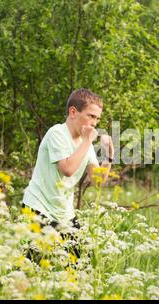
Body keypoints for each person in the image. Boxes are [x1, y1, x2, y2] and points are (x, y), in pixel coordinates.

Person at [22, 88, 114, 233]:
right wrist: (87, 142)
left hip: (64, 214)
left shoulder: (86, 144)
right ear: (73, 112)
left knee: (81, 255)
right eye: (91, 116)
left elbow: (98, 181)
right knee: (36, 255)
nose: (94, 123)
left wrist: (108, 157)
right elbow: (67, 170)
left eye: (97, 118)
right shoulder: (57, 133)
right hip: (38, 208)